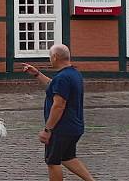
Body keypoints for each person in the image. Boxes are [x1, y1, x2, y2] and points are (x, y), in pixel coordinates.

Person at [22, 45, 94, 181]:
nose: (50, 59)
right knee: (68, 158)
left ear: (55, 57)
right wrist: (37, 74)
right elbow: (52, 84)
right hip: (74, 127)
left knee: (52, 162)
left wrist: (47, 130)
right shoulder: (74, 74)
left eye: (50, 56)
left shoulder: (62, 78)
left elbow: (58, 106)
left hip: (61, 128)